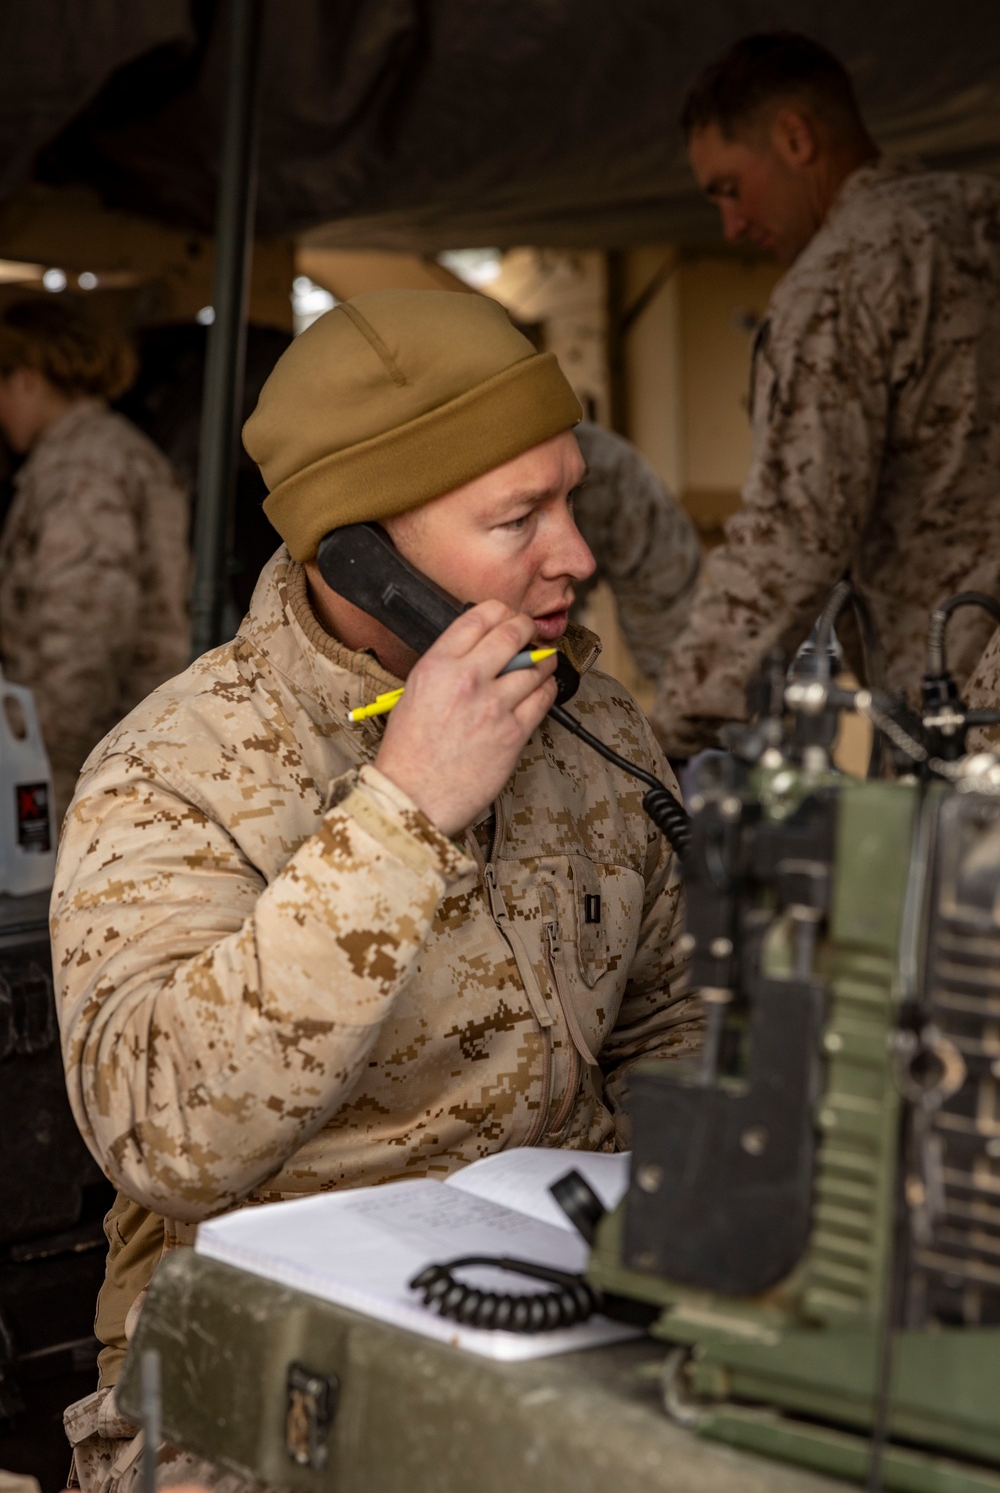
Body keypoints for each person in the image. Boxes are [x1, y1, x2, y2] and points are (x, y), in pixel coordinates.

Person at [51, 290, 700, 1491]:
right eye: (518, 519)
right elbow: (160, 1133)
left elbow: (665, 1021)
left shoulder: (590, 722)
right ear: (359, 552)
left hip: (572, 1327)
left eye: (570, 499)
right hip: (263, 1380)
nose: (577, 556)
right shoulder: (171, 770)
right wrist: (402, 816)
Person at [651, 32, 1000, 758]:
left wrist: (670, 733)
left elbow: (791, 538)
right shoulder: (984, 216)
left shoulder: (837, 281)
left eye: (729, 188)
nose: (732, 225)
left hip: (959, 714)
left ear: (795, 137)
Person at [0, 297, 190, 820]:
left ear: (26, 379)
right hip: (113, 745)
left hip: (83, 759)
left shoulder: (83, 468)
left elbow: (84, 626)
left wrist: (43, 758)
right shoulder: (108, 452)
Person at [570, 420, 700, 679]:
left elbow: (673, 639)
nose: (581, 563)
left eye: (570, 498)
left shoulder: (609, 469)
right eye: (518, 521)